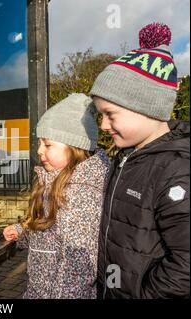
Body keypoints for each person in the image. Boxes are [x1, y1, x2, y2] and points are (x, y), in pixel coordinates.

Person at [90, 22, 190, 298]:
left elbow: (185, 266)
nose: (104, 125)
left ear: (146, 107)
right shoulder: (127, 158)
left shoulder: (177, 169)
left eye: (110, 114)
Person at [3, 93, 110, 299]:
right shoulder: (54, 181)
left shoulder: (81, 195)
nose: (39, 151)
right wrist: (21, 232)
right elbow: (50, 234)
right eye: (39, 143)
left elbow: (77, 269)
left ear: (74, 147)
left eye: (48, 144)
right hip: (39, 290)